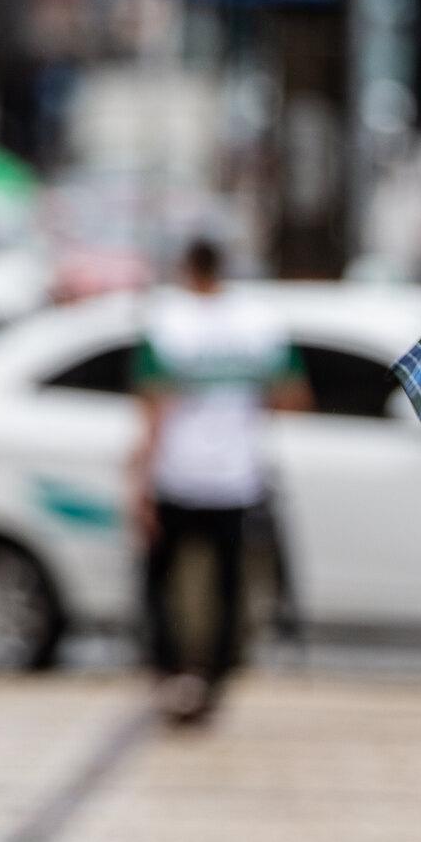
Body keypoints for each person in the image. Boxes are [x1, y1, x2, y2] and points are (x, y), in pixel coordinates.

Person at [127, 239, 311, 723]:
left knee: (162, 581)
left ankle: (171, 672)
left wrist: (139, 483)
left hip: (176, 473)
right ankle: (215, 677)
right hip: (236, 475)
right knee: (228, 585)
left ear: (187, 268)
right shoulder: (259, 322)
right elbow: (294, 394)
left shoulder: (166, 321)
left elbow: (151, 406)